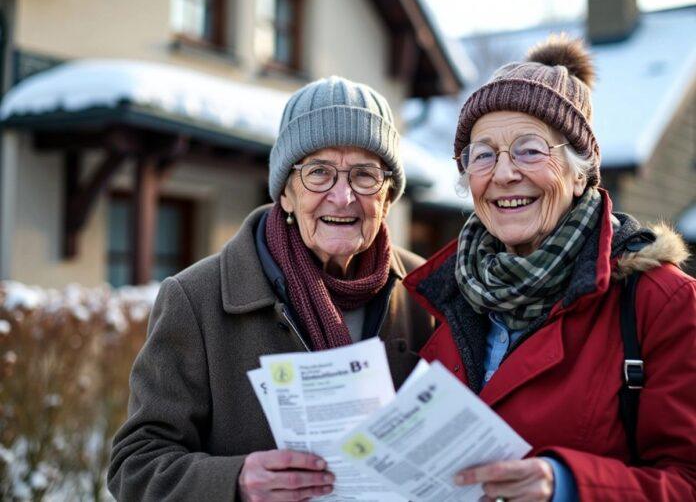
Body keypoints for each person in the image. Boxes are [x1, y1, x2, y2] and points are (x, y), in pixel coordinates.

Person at [107, 76, 434, 501]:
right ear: (285, 192)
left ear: (388, 196)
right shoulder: (197, 298)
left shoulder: (425, 292)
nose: (342, 196)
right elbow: (135, 466)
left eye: (364, 175)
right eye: (318, 173)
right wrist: (236, 482)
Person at [404, 35, 696, 501]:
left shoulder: (660, 301)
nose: (503, 174)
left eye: (529, 149)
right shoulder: (449, 295)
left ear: (581, 172)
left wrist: (566, 485)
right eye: (483, 154)